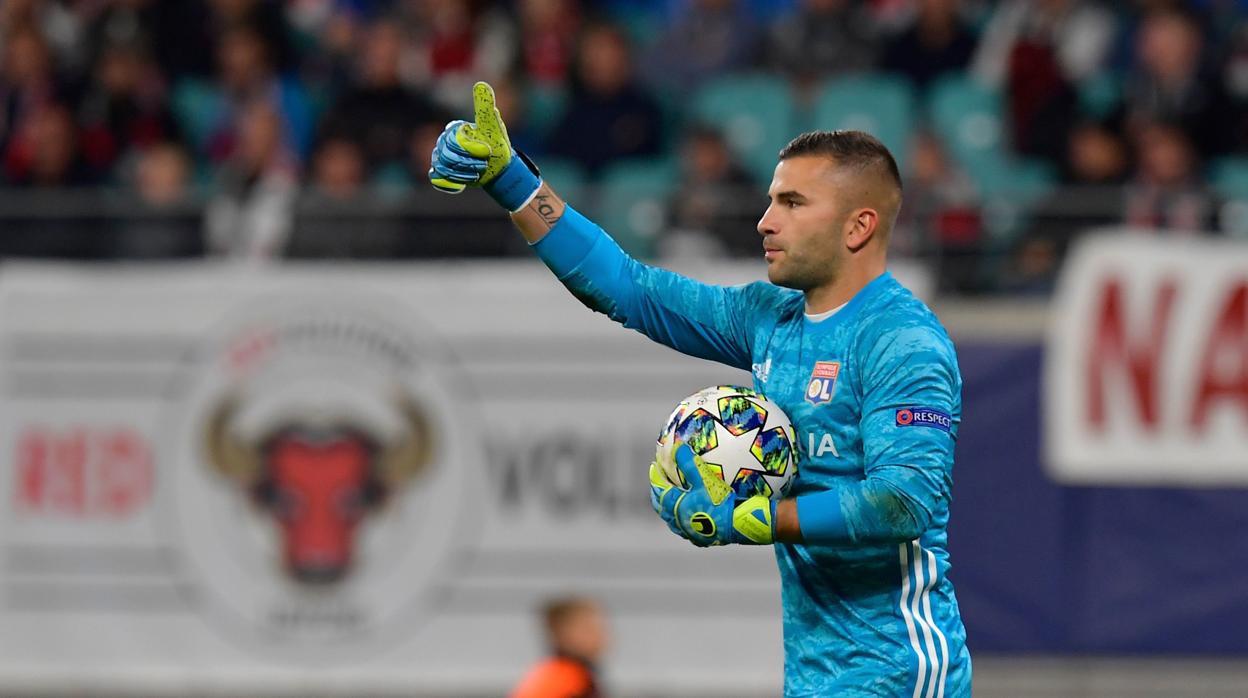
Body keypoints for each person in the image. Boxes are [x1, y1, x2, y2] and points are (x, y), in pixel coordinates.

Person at [430, 82, 971, 696]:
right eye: (771, 201)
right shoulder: (771, 319)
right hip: (816, 674)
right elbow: (628, 289)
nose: (766, 221)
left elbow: (902, 504)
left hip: (900, 668)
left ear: (859, 226)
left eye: (793, 203)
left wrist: (753, 518)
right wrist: (512, 181)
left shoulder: (902, 342)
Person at [509, 596, 607, 698]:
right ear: (561, 634)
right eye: (588, 628)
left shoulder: (572, 673)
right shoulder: (564, 679)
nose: (599, 635)